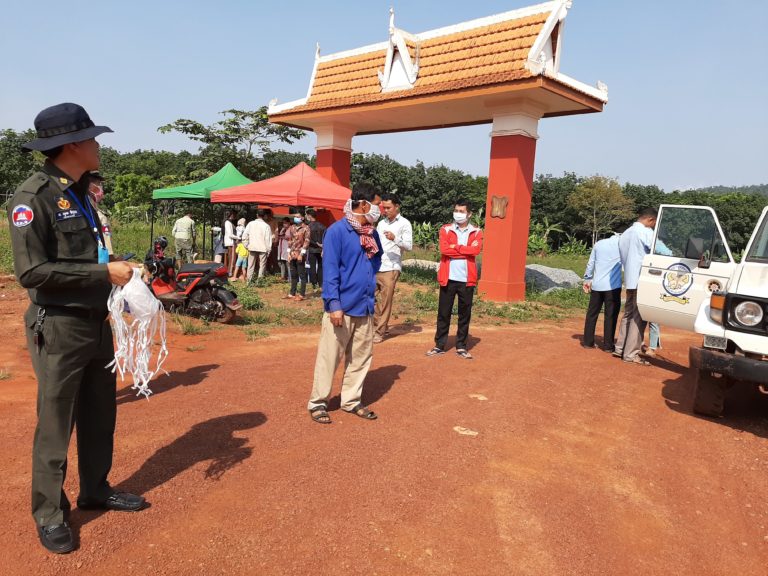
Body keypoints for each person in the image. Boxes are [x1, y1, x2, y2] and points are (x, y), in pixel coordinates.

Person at [7, 103, 146, 555]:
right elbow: (32, 273)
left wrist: (116, 268)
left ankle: (95, 489)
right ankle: (49, 512)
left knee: (100, 413)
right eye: (92, 138)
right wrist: (102, 274)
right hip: (60, 326)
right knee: (56, 421)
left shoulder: (82, 192)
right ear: (71, 146)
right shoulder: (32, 199)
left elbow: (85, 257)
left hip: (97, 322)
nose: (98, 145)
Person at [307, 182, 383, 424]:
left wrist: (369, 283)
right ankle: (318, 402)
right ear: (364, 205)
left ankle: (351, 400)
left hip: (365, 305)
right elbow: (330, 271)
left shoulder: (372, 234)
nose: (380, 209)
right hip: (342, 307)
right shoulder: (337, 232)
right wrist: (334, 305)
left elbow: (376, 260)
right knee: (330, 357)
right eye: (377, 204)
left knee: (360, 358)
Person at [426, 200, 483, 360]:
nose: (458, 213)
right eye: (456, 210)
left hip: (467, 279)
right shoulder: (446, 229)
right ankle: (439, 345)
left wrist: (455, 247)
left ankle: (461, 346)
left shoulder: (476, 232)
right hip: (448, 277)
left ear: (469, 214)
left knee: (464, 314)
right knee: (444, 313)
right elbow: (444, 249)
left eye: (462, 211)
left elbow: (475, 250)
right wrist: (464, 250)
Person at [614, 208, 658, 365]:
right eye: (654, 224)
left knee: (628, 314)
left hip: (630, 280)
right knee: (638, 317)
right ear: (651, 220)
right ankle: (631, 354)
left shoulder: (626, 233)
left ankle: (620, 348)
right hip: (641, 280)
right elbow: (660, 249)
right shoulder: (645, 232)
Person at [374, 192, 412, 343]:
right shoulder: (381, 223)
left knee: (386, 301)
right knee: (367, 295)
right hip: (377, 264)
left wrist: (395, 238)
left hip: (391, 267)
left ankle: (380, 331)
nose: (385, 210)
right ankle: (381, 324)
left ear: (397, 206)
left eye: (388, 207)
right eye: (384, 208)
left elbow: (409, 246)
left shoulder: (404, 223)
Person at [581, 232, 622, 351]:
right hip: (613, 287)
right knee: (610, 316)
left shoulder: (598, 244)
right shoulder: (622, 244)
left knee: (591, 314)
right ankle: (608, 345)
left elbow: (591, 263)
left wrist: (587, 279)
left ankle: (588, 342)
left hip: (597, 285)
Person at [242, 209, 273, 282]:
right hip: (263, 248)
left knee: (250, 265)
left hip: (252, 247)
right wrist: (268, 250)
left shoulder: (250, 224)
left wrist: (247, 245)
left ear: (257, 215)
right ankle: (259, 281)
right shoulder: (266, 226)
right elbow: (268, 239)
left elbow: (244, 236)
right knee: (262, 265)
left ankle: (249, 281)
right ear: (264, 216)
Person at [87, 172, 113, 258]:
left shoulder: (93, 208)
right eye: (98, 184)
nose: (101, 187)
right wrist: (112, 259)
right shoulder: (98, 215)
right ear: (91, 186)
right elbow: (107, 243)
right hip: (101, 259)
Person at [285, 212, 310, 301]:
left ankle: (302, 294)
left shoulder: (306, 228)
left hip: (300, 253)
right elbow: (290, 240)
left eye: (297, 217)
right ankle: (292, 293)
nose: (295, 218)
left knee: (302, 275)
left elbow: (307, 241)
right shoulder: (292, 227)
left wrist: (302, 254)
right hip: (292, 253)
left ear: (302, 218)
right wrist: (288, 253)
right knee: (293, 274)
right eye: (294, 217)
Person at [305, 208, 326, 291]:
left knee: (312, 267)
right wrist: (322, 245)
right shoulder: (322, 226)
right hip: (321, 249)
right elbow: (326, 237)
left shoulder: (308, 227)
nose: (306, 216)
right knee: (321, 267)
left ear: (309, 216)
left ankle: (314, 284)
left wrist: (316, 244)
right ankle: (321, 284)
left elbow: (308, 239)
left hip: (312, 249)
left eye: (306, 215)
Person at [223, 210, 238, 275]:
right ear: (231, 215)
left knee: (231, 258)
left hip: (231, 242)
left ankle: (229, 272)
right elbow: (230, 235)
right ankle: (229, 272)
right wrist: (239, 237)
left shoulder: (229, 222)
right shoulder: (227, 223)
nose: (234, 216)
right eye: (233, 214)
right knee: (231, 258)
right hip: (230, 243)